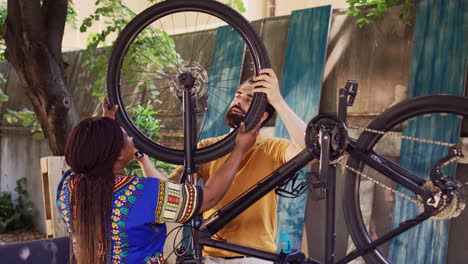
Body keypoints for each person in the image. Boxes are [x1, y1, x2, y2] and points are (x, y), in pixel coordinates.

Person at [56, 101, 262, 264]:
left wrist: (106, 126)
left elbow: (88, 156)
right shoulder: (141, 194)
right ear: (117, 154)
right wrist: (239, 150)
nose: (131, 138)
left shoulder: (68, 188)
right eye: (127, 136)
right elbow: (209, 198)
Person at [169, 68, 307, 264]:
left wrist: (277, 100)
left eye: (248, 99)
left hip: (254, 258)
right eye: (237, 95)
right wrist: (141, 156)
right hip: (209, 256)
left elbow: (311, 151)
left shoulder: (273, 148)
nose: (238, 101)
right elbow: (169, 189)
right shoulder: (207, 148)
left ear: (262, 116)